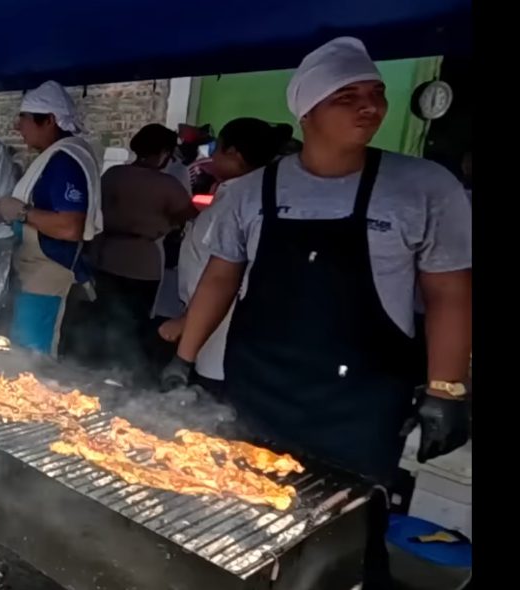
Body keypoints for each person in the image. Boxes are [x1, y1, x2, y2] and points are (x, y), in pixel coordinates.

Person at [161, 38, 472, 589]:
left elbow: (450, 293)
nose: (369, 106)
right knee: (240, 513)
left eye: (375, 92)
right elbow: (220, 278)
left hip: (362, 400)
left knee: (345, 532)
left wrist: (446, 390)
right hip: (259, 384)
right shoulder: (249, 192)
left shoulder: (424, 187)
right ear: (306, 111)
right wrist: (183, 361)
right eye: (346, 95)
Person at [158, 118, 293, 394]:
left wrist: (186, 322)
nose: (213, 157)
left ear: (234, 154)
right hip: (204, 323)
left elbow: (231, 276)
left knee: (212, 407)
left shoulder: (247, 198)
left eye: (218, 149)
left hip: (223, 331)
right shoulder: (237, 192)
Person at [0, 81, 102, 357]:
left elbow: (70, 227)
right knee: (20, 354)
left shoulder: (65, 161)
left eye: (24, 119)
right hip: (33, 273)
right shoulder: (54, 158)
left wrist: (20, 211)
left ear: (50, 121)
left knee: (34, 362)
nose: (17, 127)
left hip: (49, 275)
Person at [83, 123, 196, 376]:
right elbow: (189, 216)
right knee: (134, 323)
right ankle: (125, 374)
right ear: (165, 153)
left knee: (104, 316)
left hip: (106, 255)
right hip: (143, 262)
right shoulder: (167, 184)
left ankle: (93, 369)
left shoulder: (113, 175)